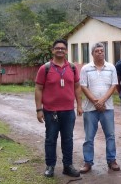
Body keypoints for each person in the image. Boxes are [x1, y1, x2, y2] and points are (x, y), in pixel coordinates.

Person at [35, 39, 83, 178]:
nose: (60, 50)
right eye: (57, 48)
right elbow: (38, 88)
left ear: (66, 50)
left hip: (68, 111)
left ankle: (67, 166)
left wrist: (79, 105)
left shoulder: (72, 68)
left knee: (68, 139)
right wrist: (39, 109)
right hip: (51, 111)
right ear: (53, 50)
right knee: (50, 139)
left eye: (63, 48)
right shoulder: (45, 68)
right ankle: (50, 166)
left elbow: (77, 87)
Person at [79, 43, 120, 173]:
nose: (100, 53)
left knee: (110, 135)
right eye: (97, 51)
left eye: (102, 51)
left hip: (107, 108)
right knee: (89, 137)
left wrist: (101, 101)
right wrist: (96, 102)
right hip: (90, 109)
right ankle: (88, 162)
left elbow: (113, 86)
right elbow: (83, 86)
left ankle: (111, 160)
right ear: (92, 54)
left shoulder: (111, 67)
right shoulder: (86, 68)